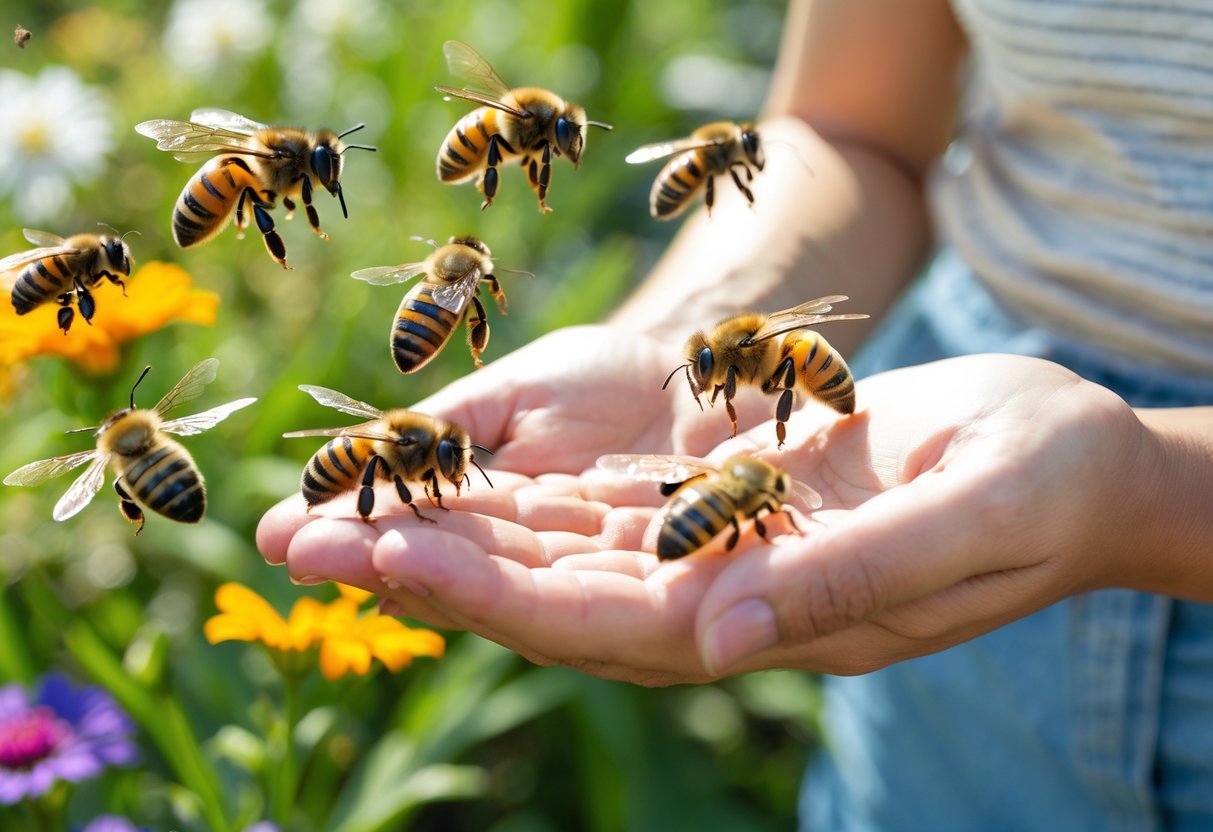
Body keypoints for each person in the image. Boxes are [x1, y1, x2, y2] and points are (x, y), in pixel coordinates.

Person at [258, 0, 1213, 827]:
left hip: (969, 460)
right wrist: (677, 338)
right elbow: (853, 129)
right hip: (932, 503)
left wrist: (1154, 491)